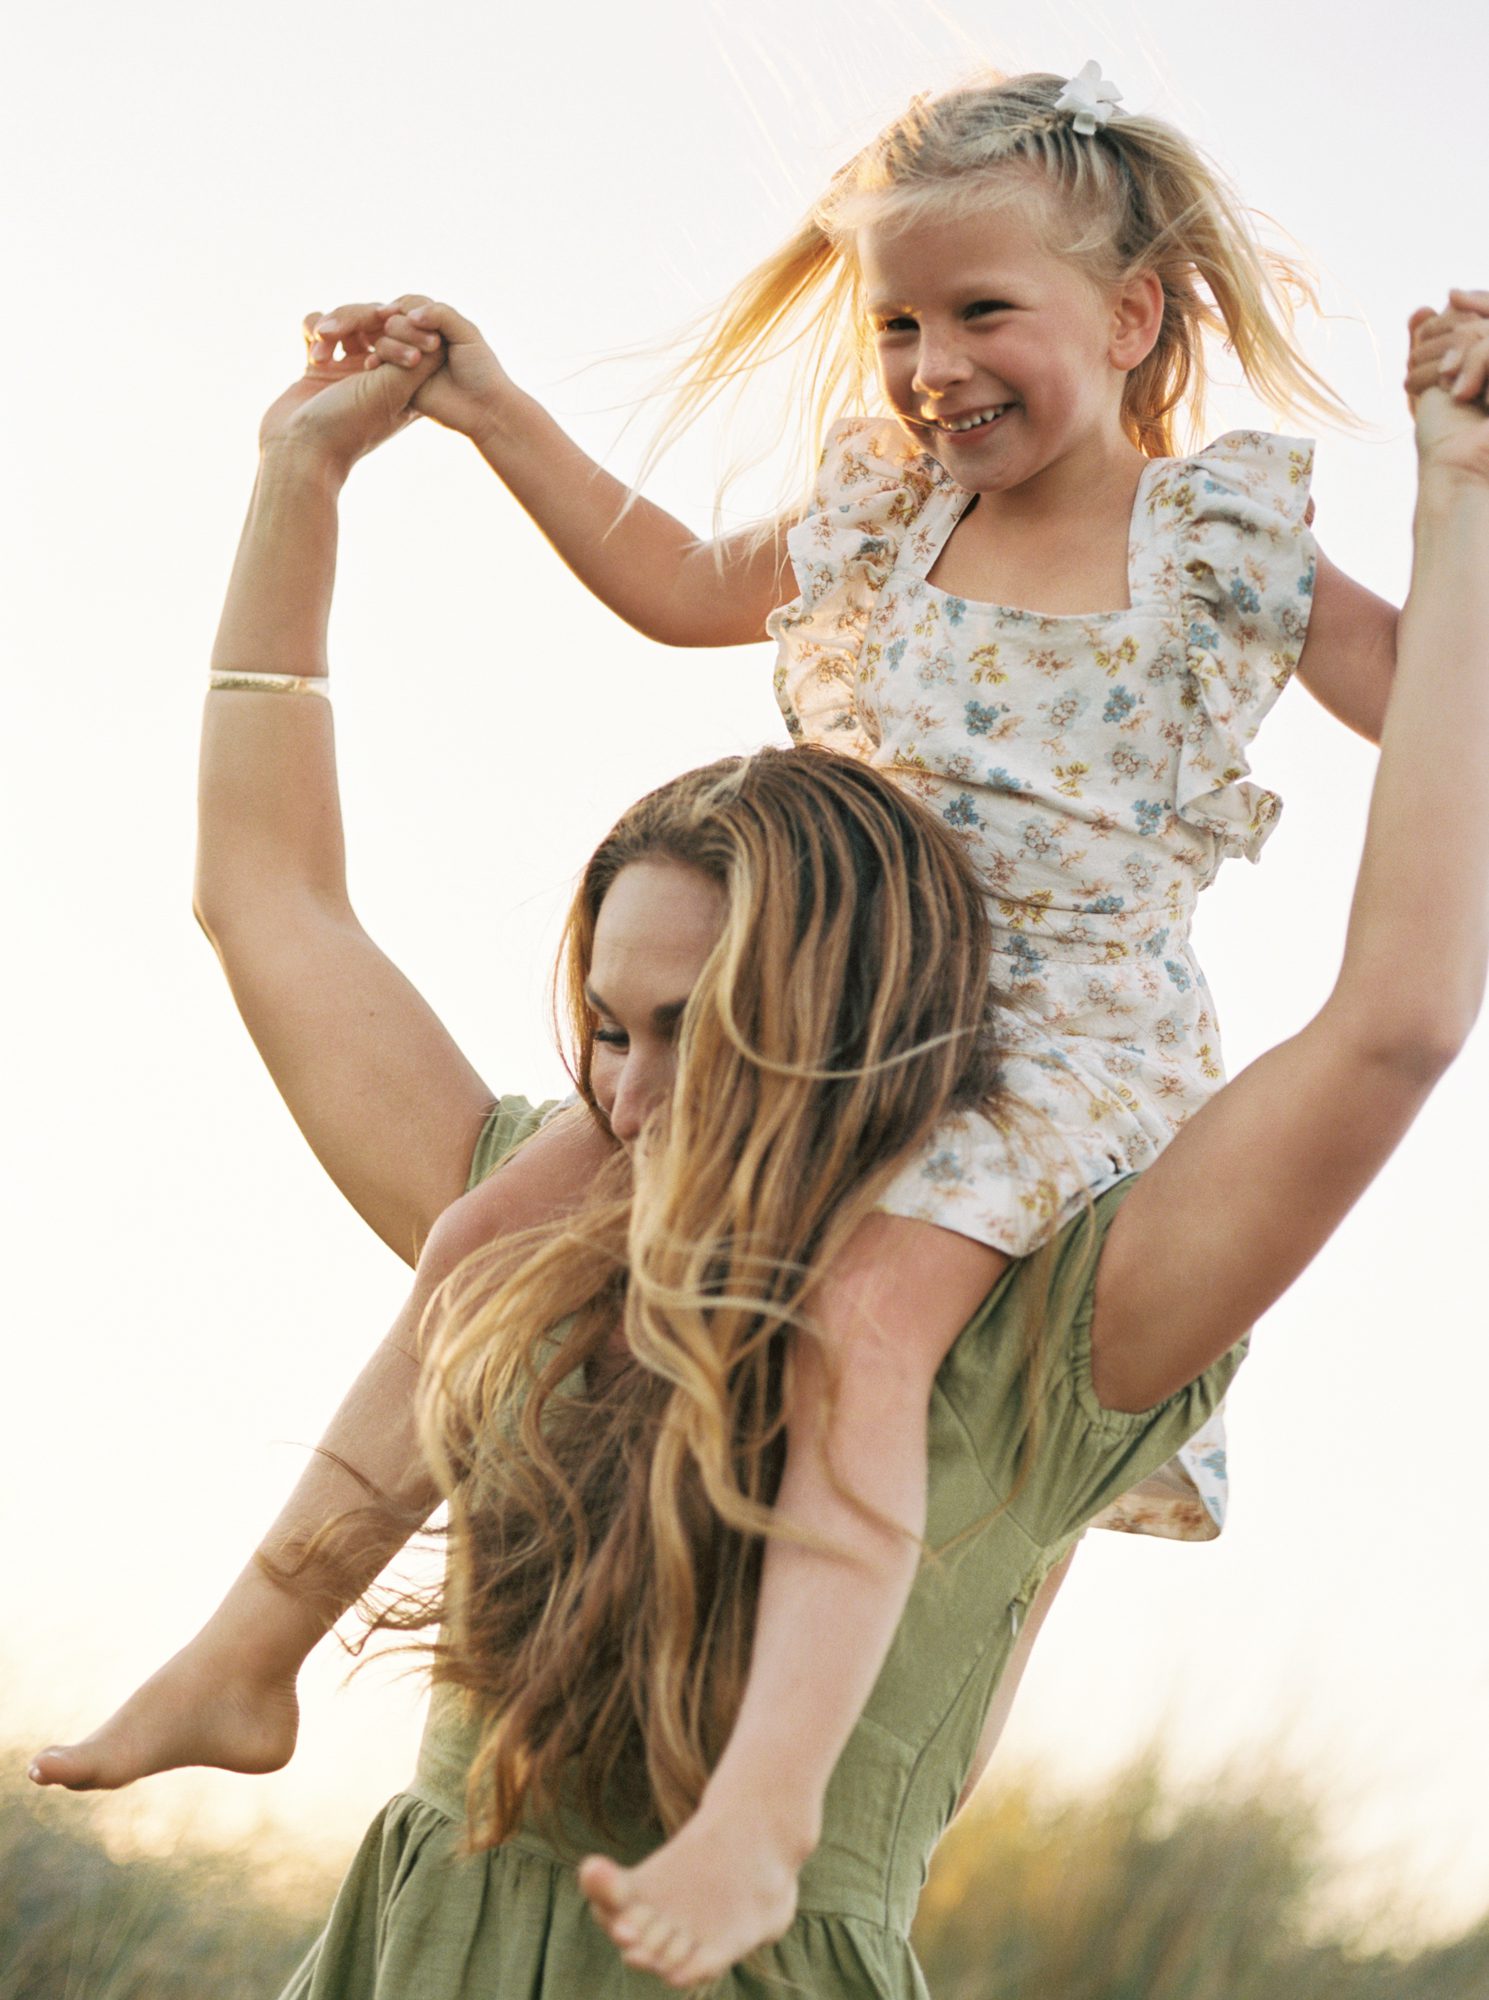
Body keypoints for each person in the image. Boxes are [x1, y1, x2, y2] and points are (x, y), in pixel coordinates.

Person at [31, 271, 1489, 1998]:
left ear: (862, 1027)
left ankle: (759, 1816)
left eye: (700, 1036)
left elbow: (1393, 1018)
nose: (637, 1096)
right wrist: (303, 479)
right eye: (607, 1029)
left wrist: (1461, 504)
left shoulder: (1047, 1319)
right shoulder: (549, 1210)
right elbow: (269, 905)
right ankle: (242, 1650)